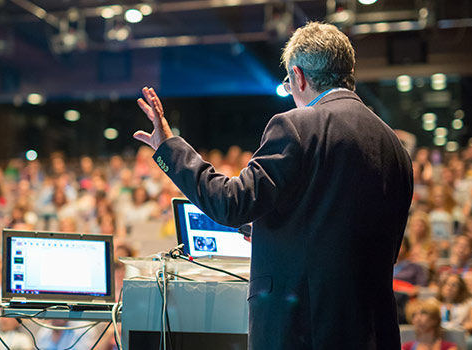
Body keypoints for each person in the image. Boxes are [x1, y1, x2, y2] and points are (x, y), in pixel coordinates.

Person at [133, 22, 414, 348]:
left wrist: (169, 146)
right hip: (372, 331)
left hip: (302, 329)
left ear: (298, 76)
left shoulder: (298, 124)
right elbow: (357, 239)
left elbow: (230, 203)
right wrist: (272, 229)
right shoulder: (394, 146)